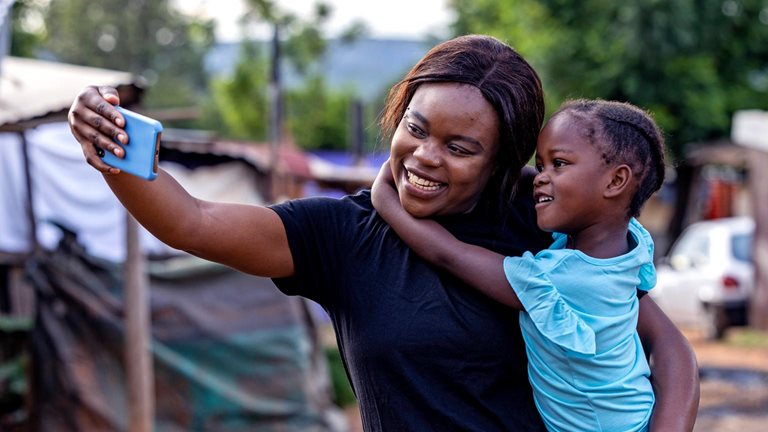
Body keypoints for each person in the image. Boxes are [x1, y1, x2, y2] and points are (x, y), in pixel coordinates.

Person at [67, 34, 699, 431]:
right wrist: (113, 150)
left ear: (504, 161)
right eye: (416, 129)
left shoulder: (542, 225)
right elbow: (192, 222)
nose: (425, 157)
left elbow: (668, 349)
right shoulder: (343, 235)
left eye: (460, 147)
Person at [372, 98, 669, 431]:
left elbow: (449, 254)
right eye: (540, 166)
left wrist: (383, 197)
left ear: (615, 182)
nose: (538, 179)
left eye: (558, 163)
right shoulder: (630, 246)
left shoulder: (562, 280)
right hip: (633, 413)